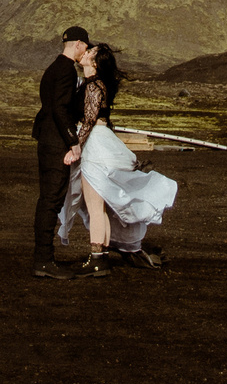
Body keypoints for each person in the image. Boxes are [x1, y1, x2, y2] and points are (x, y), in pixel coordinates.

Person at [56, 40, 177, 276]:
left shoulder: (93, 86)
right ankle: (101, 256)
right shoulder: (94, 84)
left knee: (95, 206)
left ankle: (98, 259)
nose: (85, 52)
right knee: (97, 206)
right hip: (101, 143)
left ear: (95, 62)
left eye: (90, 52)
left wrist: (75, 147)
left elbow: (89, 122)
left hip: (95, 147)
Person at [31, 27, 96, 280]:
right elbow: (59, 108)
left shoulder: (53, 68)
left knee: (49, 199)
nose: (86, 51)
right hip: (56, 142)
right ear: (78, 44)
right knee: (51, 200)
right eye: (86, 47)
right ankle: (43, 260)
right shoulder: (67, 70)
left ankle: (44, 258)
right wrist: (73, 141)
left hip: (46, 140)